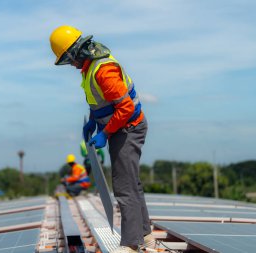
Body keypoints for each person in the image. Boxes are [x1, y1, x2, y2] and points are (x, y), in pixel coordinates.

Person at [50, 25, 155, 253]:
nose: (71, 65)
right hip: (120, 127)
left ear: (75, 52)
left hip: (128, 128)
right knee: (132, 184)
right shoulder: (90, 68)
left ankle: (130, 244)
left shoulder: (102, 70)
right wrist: (93, 121)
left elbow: (125, 108)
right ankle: (145, 235)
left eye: (68, 60)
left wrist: (105, 133)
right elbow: (101, 101)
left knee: (124, 187)